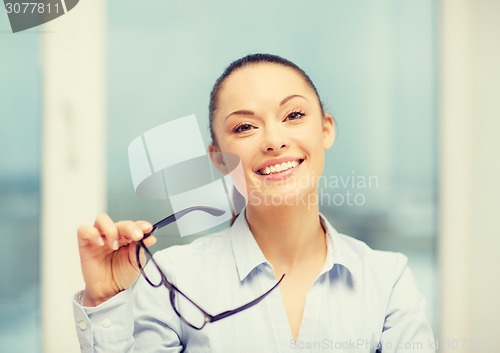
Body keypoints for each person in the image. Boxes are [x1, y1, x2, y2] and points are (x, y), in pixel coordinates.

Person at [73, 53, 435, 352]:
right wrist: (105, 300)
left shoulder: (388, 279)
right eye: (245, 127)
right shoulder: (171, 277)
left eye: (293, 115)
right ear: (218, 158)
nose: (274, 141)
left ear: (325, 130)